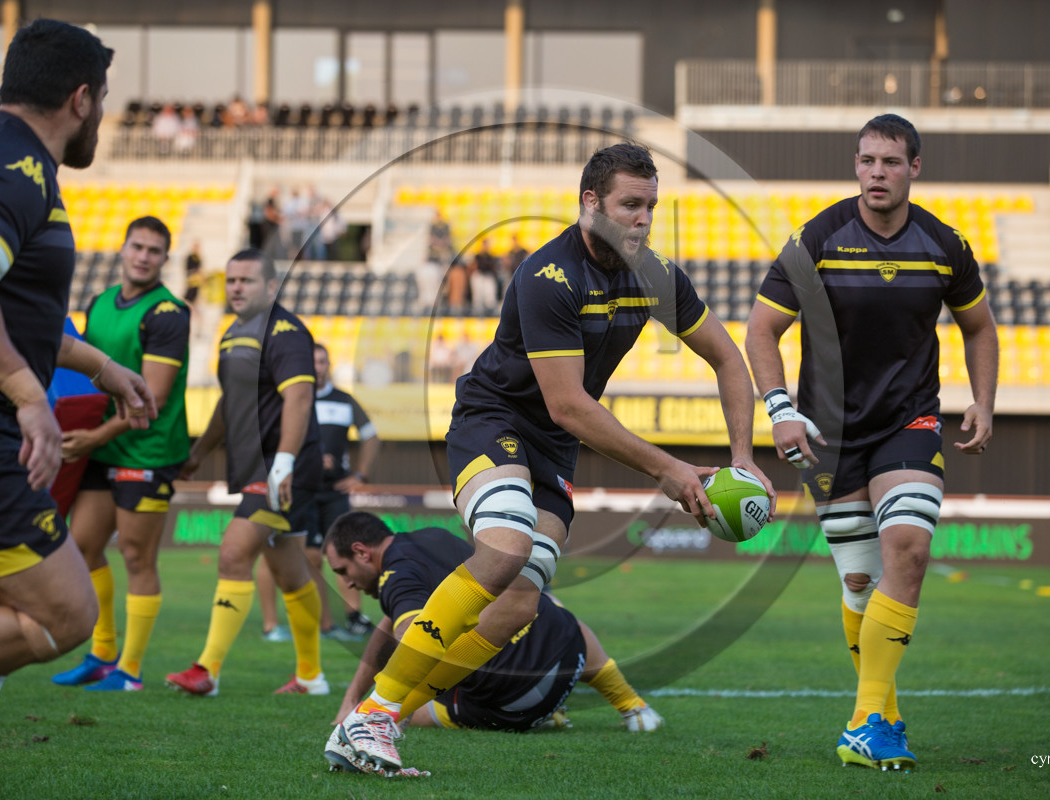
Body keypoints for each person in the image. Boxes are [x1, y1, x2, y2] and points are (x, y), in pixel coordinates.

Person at [328, 142, 775, 775]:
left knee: (520, 602)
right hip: (494, 421)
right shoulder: (548, 276)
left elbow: (729, 359)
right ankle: (372, 718)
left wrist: (741, 457)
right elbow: (567, 404)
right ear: (591, 203)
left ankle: (376, 719)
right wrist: (668, 469)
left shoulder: (656, 275)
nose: (643, 219)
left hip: (553, 447)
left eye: (651, 206)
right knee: (506, 549)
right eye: (629, 205)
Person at [0, 19, 154, 795]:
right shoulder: (13, 169)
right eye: (106, 101)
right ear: (82, 97)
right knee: (62, 618)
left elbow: (10, 310)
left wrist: (105, 366)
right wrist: (28, 396)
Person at [745, 114, 998, 772]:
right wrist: (780, 411)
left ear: (915, 167)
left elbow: (979, 327)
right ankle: (883, 712)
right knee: (861, 583)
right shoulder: (818, 239)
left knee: (907, 549)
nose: (875, 173)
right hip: (829, 435)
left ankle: (863, 723)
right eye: (865, 161)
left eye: (889, 162)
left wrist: (983, 400)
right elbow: (761, 330)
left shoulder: (944, 244)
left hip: (909, 421)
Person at [321, 512, 662, 772]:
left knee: (424, 689)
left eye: (341, 571)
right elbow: (387, 625)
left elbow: (408, 635)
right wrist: (351, 696)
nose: (346, 584)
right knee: (546, 605)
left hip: (517, 702)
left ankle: (376, 720)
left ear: (361, 552)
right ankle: (634, 708)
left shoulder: (397, 576)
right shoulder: (432, 537)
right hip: (568, 652)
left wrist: (391, 704)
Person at [165, 248, 328, 697]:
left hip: (283, 467)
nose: (236, 287)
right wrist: (199, 453)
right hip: (260, 466)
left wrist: (284, 462)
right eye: (231, 280)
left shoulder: (287, 331)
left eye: (247, 281)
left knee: (234, 552)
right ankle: (311, 677)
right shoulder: (233, 332)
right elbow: (228, 403)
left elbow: (298, 398)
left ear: (271, 287)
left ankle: (207, 669)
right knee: (292, 575)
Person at [49, 216, 190, 692]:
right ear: (123, 249)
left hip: (146, 451)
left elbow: (154, 396)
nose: (144, 256)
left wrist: (90, 439)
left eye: (154, 250)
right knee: (84, 546)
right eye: (138, 246)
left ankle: (130, 672)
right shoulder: (99, 303)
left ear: (165, 259)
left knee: (136, 557)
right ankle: (102, 653)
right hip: (104, 444)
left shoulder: (169, 312)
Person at [257, 342, 380, 642]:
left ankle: (351, 618)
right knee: (306, 555)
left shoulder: (344, 400)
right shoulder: (292, 399)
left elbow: (371, 436)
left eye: (322, 361)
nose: (317, 367)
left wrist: (359, 474)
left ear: (329, 365)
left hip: (336, 492)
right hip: (302, 489)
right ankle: (302, 621)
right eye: (312, 362)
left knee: (347, 553)